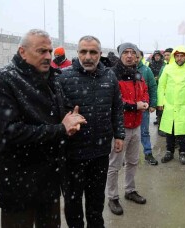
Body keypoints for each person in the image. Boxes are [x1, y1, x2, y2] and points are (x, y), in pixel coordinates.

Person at [0, 29, 86, 228]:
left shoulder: (50, 77)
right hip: (19, 182)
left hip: (50, 179)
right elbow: (10, 132)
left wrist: (71, 119)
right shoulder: (1, 80)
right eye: (42, 51)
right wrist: (60, 129)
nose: (48, 56)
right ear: (22, 51)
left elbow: (58, 112)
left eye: (49, 50)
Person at [57, 35, 125, 227]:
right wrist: (65, 121)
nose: (88, 56)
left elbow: (117, 107)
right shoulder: (63, 77)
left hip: (100, 153)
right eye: (83, 52)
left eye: (93, 52)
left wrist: (119, 134)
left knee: (96, 202)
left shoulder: (109, 76)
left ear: (100, 54)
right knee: (73, 203)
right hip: (72, 155)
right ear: (77, 53)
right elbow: (56, 113)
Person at [107, 42, 149, 215]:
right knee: (114, 164)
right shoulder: (112, 75)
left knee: (132, 161)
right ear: (120, 55)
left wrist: (145, 101)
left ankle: (130, 190)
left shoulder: (138, 74)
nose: (130, 56)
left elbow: (145, 91)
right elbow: (113, 101)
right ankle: (112, 197)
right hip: (119, 128)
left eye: (133, 52)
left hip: (136, 125)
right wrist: (134, 106)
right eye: (126, 52)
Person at [157, 45, 185, 165]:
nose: (179, 58)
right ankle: (169, 151)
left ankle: (183, 152)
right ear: (174, 57)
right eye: (177, 56)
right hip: (170, 105)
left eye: (181, 56)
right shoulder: (168, 68)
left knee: (183, 131)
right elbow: (161, 86)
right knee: (170, 131)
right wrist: (160, 102)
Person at [137, 50, 159, 165]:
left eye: (137, 56)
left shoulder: (146, 70)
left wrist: (153, 104)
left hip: (143, 107)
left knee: (144, 131)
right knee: (127, 133)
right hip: (127, 108)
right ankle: (127, 156)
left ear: (141, 57)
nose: (134, 58)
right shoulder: (123, 70)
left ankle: (148, 153)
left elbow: (153, 87)